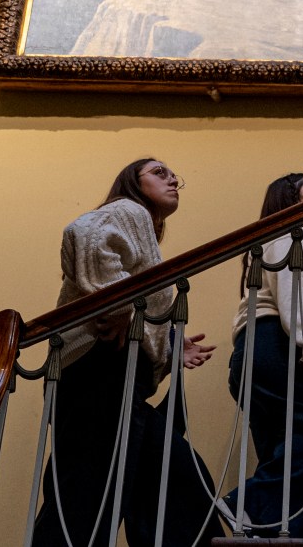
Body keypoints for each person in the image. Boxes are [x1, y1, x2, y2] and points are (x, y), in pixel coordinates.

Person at [31, 159, 224, 547]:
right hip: (97, 370)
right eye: (158, 171)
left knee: (172, 475)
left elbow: (142, 313)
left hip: (113, 376)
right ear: (132, 184)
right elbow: (82, 231)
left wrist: (169, 346)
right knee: (85, 495)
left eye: (174, 175)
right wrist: (119, 305)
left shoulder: (142, 233)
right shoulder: (127, 209)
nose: (173, 179)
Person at [223, 173, 303, 537]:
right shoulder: (291, 234)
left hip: (256, 351)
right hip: (276, 343)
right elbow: (297, 290)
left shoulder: (276, 238)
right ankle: (247, 503)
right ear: (291, 198)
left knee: (283, 450)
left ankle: (269, 530)